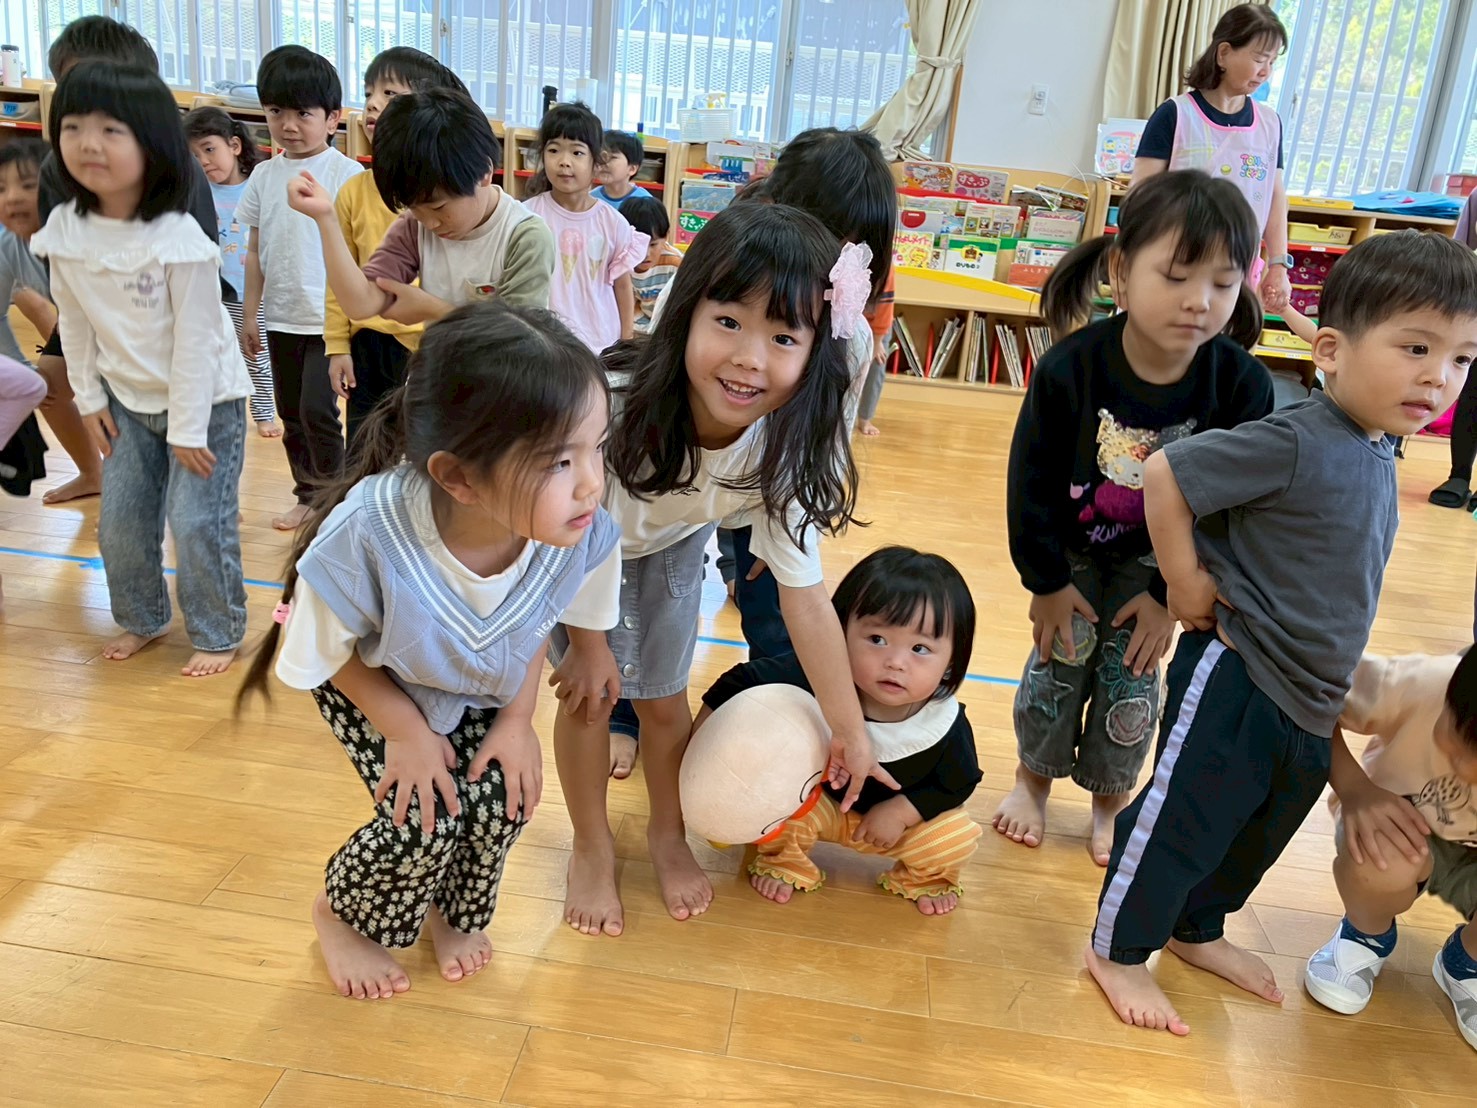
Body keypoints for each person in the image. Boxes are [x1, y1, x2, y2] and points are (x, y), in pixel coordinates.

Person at [1084, 229, 1477, 1036]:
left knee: (1253, 831)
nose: (1438, 376)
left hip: (1307, 695)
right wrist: (1184, 582)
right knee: (1182, 819)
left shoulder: (1378, 445)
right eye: (1415, 348)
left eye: (1461, 358)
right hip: (1237, 673)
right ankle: (1116, 951)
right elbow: (1164, 473)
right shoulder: (1299, 436)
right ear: (1331, 351)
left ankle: (1195, 928)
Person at [238, 301, 619, 1000]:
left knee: (502, 798)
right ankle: (340, 913)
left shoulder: (573, 522)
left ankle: (454, 912)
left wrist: (517, 722)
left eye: (598, 446)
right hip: (374, 681)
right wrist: (406, 732)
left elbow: (533, 615)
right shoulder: (369, 531)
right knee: (425, 818)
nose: (593, 480)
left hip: (474, 676)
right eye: (562, 460)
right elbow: (323, 652)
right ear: (459, 478)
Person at [548, 202, 893, 937]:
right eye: (728, 322)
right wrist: (588, 645)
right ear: (685, 316)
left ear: (814, 354)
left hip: (667, 544)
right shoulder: (611, 414)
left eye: (783, 337)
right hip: (571, 550)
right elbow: (576, 535)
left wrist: (848, 729)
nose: (749, 358)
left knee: (664, 702)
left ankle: (666, 832)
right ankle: (590, 844)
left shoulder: (783, 446)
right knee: (587, 700)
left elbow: (806, 598)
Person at [996, 171, 1274, 867]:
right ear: (1120, 271)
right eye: (1176, 277)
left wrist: (1168, 594)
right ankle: (1031, 780)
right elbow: (1029, 483)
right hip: (1072, 549)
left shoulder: (1241, 384)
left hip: (1163, 561)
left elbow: (1232, 510)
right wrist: (1045, 581)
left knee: (1134, 680)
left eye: (1222, 282)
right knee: (1059, 665)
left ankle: (1109, 801)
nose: (1199, 301)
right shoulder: (1069, 369)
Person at [30, 62, 252, 677]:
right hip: (127, 403)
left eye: (111, 130)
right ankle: (143, 617)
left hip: (206, 404)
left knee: (196, 522)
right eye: (73, 127)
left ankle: (218, 630)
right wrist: (89, 399)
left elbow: (198, 339)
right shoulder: (66, 230)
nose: (88, 144)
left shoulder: (176, 236)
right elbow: (73, 321)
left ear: (152, 144)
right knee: (120, 524)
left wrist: (187, 427)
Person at [699, 546, 982, 915]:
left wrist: (903, 812)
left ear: (951, 663)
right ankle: (785, 862)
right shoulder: (814, 676)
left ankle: (925, 880)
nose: (896, 662)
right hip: (817, 805)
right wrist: (700, 747)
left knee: (955, 837)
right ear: (838, 632)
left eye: (920, 648)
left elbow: (958, 782)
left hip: (897, 828)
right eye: (877, 639)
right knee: (773, 810)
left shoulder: (942, 722)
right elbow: (739, 680)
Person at [32, 15, 229, 506]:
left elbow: (199, 257)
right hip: (96, 301)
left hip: (163, 312)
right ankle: (93, 473)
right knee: (50, 383)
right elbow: (59, 263)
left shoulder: (175, 167)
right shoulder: (58, 168)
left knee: (169, 398)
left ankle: (201, 489)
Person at [1304, 649, 1477, 1052]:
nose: (1465, 769)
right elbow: (1315, 696)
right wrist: (1354, 787)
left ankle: (1467, 962)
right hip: (1394, 825)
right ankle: (1365, 934)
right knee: (1377, 859)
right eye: (1455, 744)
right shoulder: (1420, 683)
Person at [290, 87, 554, 333]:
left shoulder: (525, 237)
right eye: (414, 208)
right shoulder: (414, 226)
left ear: (484, 173)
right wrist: (326, 220)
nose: (429, 223)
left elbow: (519, 341)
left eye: (438, 207)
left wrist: (434, 310)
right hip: (434, 365)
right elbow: (361, 304)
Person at [238, 44, 362, 532]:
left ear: (333, 118)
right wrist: (251, 313)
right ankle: (309, 495)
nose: (288, 125)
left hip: (328, 320)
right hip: (281, 316)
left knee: (317, 410)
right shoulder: (264, 176)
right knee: (290, 412)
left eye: (303, 114)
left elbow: (357, 253)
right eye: (276, 112)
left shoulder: (347, 175)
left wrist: (351, 321)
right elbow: (254, 251)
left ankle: (334, 498)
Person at [321, 48, 467, 456]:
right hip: (369, 343)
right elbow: (341, 279)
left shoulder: (452, 196)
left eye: (389, 93)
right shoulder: (353, 191)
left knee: (421, 451)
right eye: (369, 92)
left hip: (428, 344)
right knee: (364, 450)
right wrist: (338, 345)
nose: (372, 103)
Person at [1133, 3, 1292, 312]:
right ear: (1224, 54)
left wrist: (1278, 265)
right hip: (1175, 267)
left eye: (1272, 62)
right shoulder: (1176, 114)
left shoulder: (1270, 123)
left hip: (1237, 273)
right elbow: (1140, 198)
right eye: (1259, 59)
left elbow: (1275, 196)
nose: (1266, 71)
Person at [183, 107, 279, 438]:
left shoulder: (257, 186)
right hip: (211, 290)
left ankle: (264, 412)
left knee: (255, 354)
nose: (204, 161)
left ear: (235, 146)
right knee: (212, 354)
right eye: (195, 156)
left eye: (209, 149)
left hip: (249, 291)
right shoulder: (198, 192)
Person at [523, 102, 647, 354]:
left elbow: (622, 286)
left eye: (577, 153)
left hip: (601, 343)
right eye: (554, 150)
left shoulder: (613, 222)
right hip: (544, 345)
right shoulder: (527, 215)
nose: (564, 162)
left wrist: (626, 340)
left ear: (597, 162)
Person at [620, 195, 681, 336]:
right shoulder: (623, 262)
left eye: (653, 245)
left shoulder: (675, 265)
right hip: (640, 326)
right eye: (637, 245)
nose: (645, 254)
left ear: (666, 236)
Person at [593, 130, 653, 209]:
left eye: (613, 157)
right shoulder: (591, 198)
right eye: (601, 156)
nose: (604, 162)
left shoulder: (645, 202)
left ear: (632, 169)